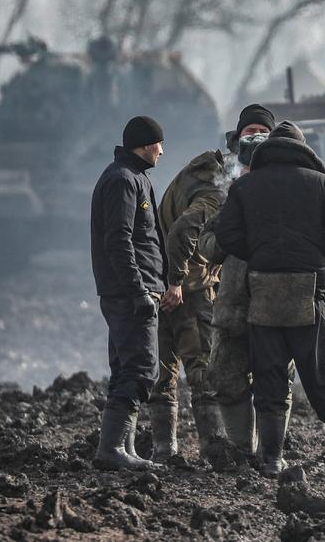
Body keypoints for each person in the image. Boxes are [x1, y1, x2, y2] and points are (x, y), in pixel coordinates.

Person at [213, 121, 325, 479]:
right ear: (303, 149)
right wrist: (317, 256)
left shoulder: (245, 186)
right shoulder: (322, 183)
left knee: (269, 378)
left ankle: (271, 460)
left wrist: (259, 254)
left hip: (263, 291)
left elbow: (227, 234)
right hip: (309, 292)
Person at [147, 110, 263, 462]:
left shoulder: (204, 171)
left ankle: (164, 449)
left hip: (163, 280)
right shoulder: (217, 188)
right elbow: (185, 229)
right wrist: (177, 281)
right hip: (189, 287)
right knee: (205, 368)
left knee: (163, 367)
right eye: (251, 131)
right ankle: (216, 449)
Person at [89, 115, 170, 471]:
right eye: (158, 144)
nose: (162, 151)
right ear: (145, 143)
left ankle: (125, 448)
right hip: (129, 294)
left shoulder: (135, 177)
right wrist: (139, 291)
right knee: (140, 370)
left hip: (134, 290)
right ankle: (112, 450)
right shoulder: (123, 181)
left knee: (126, 368)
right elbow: (119, 241)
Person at [197, 105, 276, 457]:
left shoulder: (291, 178)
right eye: (249, 131)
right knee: (225, 373)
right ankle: (243, 449)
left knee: (273, 379)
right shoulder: (224, 184)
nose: (255, 136)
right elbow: (208, 242)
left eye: (262, 129)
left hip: (277, 300)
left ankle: (271, 454)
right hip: (232, 296)